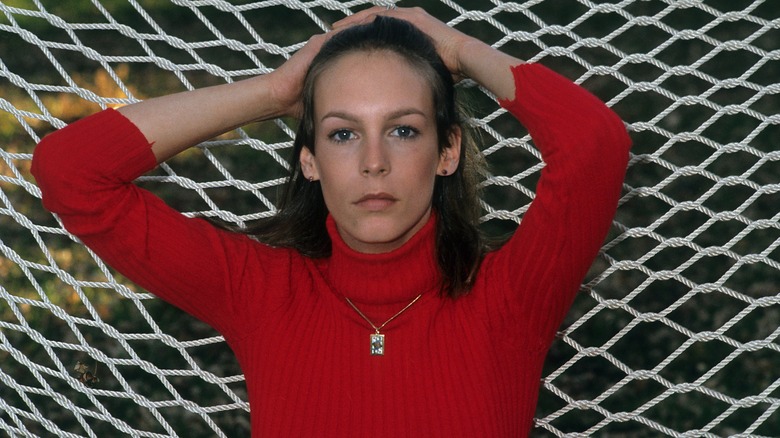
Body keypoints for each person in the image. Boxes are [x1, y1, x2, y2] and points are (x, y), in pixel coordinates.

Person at [32, 6, 631, 437]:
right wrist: (273, 91)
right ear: (310, 160)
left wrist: (459, 50)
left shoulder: (510, 299)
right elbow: (70, 172)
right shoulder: (262, 293)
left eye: (403, 130)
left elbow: (595, 145)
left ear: (447, 151)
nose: (374, 163)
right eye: (343, 134)